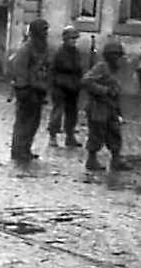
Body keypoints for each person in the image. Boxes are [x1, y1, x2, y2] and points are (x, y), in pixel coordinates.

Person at [82, 37, 131, 173]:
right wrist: (104, 91)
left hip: (111, 108)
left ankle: (116, 159)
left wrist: (119, 111)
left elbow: (115, 92)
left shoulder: (114, 70)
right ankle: (91, 160)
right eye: (117, 55)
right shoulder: (101, 67)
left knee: (114, 133)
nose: (119, 59)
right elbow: (86, 81)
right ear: (110, 56)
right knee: (96, 134)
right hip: (98, 107)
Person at [9, 19, 50, 164]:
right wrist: (22, 88)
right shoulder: (26, 49)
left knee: (33, 122)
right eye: (43, 30)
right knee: (23, 122)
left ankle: (25, 149)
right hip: (27, 90)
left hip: (38, 90)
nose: (46, 33)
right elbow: (19, 68)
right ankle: (18, 151)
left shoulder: (42, 48)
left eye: (46, 30)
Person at [47, 25, 83, 148]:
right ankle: (53, 136)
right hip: (60, 86)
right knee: (58, 112)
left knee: (72, 113)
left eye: (75, 38)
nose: (73, 41)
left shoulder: (77, 53)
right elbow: (52, 70)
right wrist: (53, 85)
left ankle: (70, 136)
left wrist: (79, 82)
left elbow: (79, 69)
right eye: (71, 38)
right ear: (65, 39)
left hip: (73, 87)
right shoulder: (59, 52)